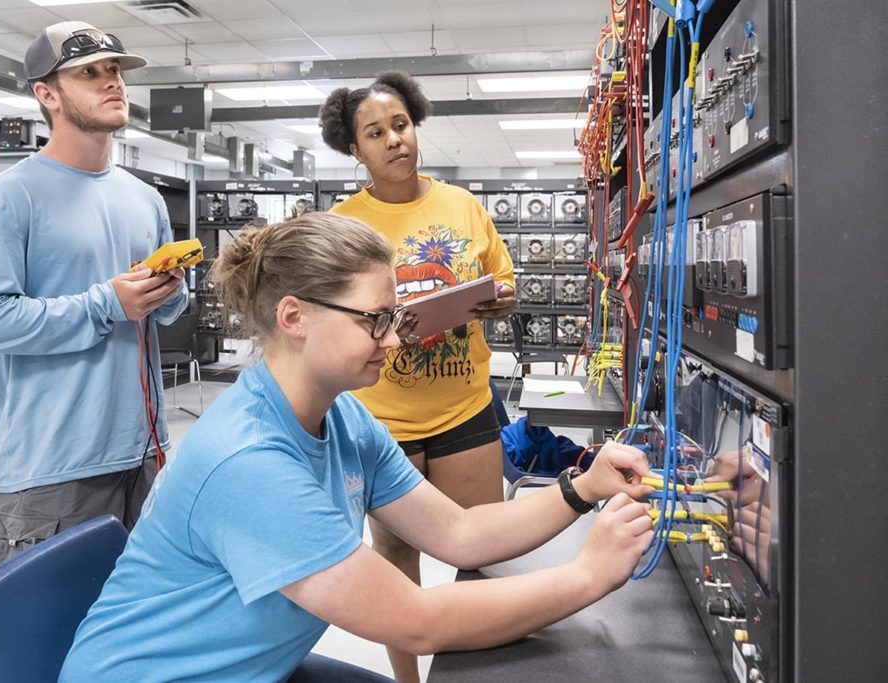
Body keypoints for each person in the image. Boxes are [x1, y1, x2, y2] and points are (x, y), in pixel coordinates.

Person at [58, 212, 655, 682]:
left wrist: (583, 487)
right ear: (294, 317)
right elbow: (417, 623)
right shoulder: (249, 462)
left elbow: (459, 533)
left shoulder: (342, 417)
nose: (394, 339)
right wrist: (589, 575)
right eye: (375, 321)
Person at [0, 20, 188, 567]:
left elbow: (164, 312)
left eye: (115, 71)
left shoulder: (144, 198)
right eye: (89, 73)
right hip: (55, 467)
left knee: (142, 637)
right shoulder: (7, 198)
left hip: (145, 456)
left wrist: (167, 290)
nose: (113, 83)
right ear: (47, 94)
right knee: (51, 644)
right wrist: (106, 303)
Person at [318, 71, 517, 680]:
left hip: (464, 409)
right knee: (397, 555)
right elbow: (328, 319)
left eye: (400, 125)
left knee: (481, 550)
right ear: (355, 150)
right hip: (381, 419)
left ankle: (472, 672)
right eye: (375, 133)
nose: (393, 141)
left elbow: (501, 282)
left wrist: (499, 300)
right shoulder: (344, 224)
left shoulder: (461, 204)